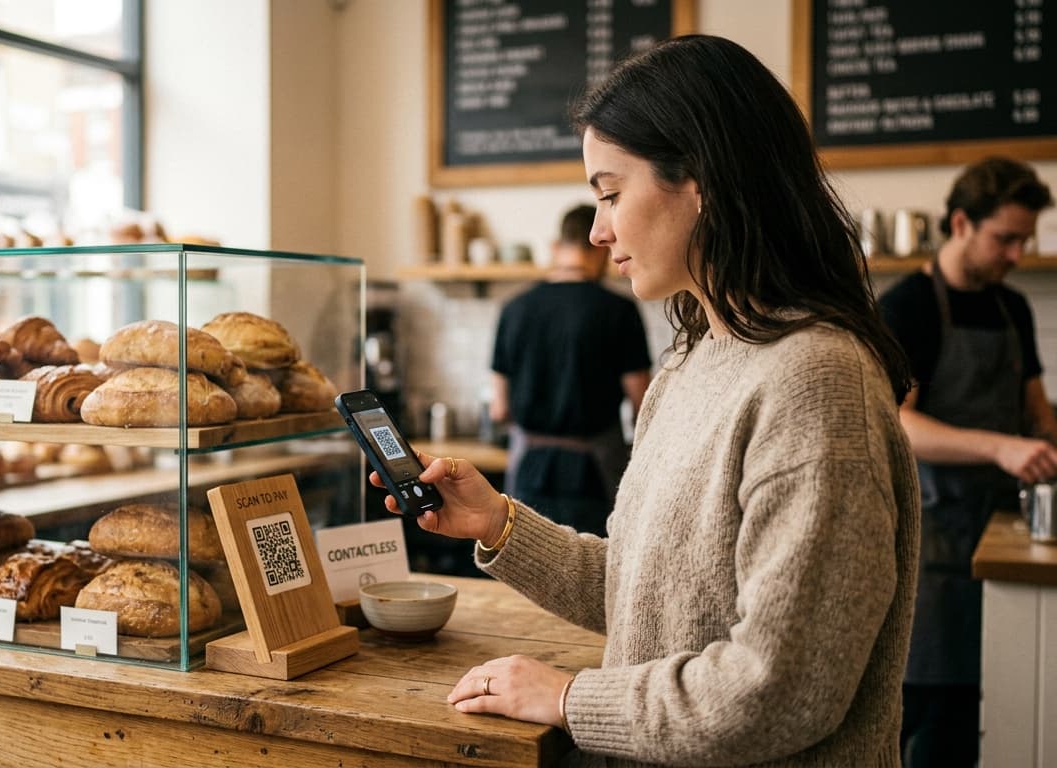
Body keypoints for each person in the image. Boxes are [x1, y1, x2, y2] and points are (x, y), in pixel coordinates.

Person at [372, 34, 920, 767]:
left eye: (609, 192)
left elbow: (782, 690)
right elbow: (650, 597)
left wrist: (569, 697)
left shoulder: (816, 382)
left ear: (700, 181)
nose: (598, 231)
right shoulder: (692, 362)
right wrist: (499, 523)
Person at [878, 157, 1055, 767]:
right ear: (960, 223)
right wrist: (1000, 447)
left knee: (989, 707)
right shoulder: (908, 305)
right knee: (924, 717)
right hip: (931, 542)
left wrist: (1041, 436)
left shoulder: (1012, 307)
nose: (1016, 254)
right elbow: (897, 422)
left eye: (1024, 240)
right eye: (1006, 238)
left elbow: (1035, 410)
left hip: (1003, 529)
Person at [490, 204, 652, 535]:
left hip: (529, 467)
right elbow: (644, 405)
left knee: (524, 558)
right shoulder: (618, 310)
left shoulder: (513, 308)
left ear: (556, 246)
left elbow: (498, 408)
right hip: (594, 472)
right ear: (599, 248)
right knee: (592, 570)